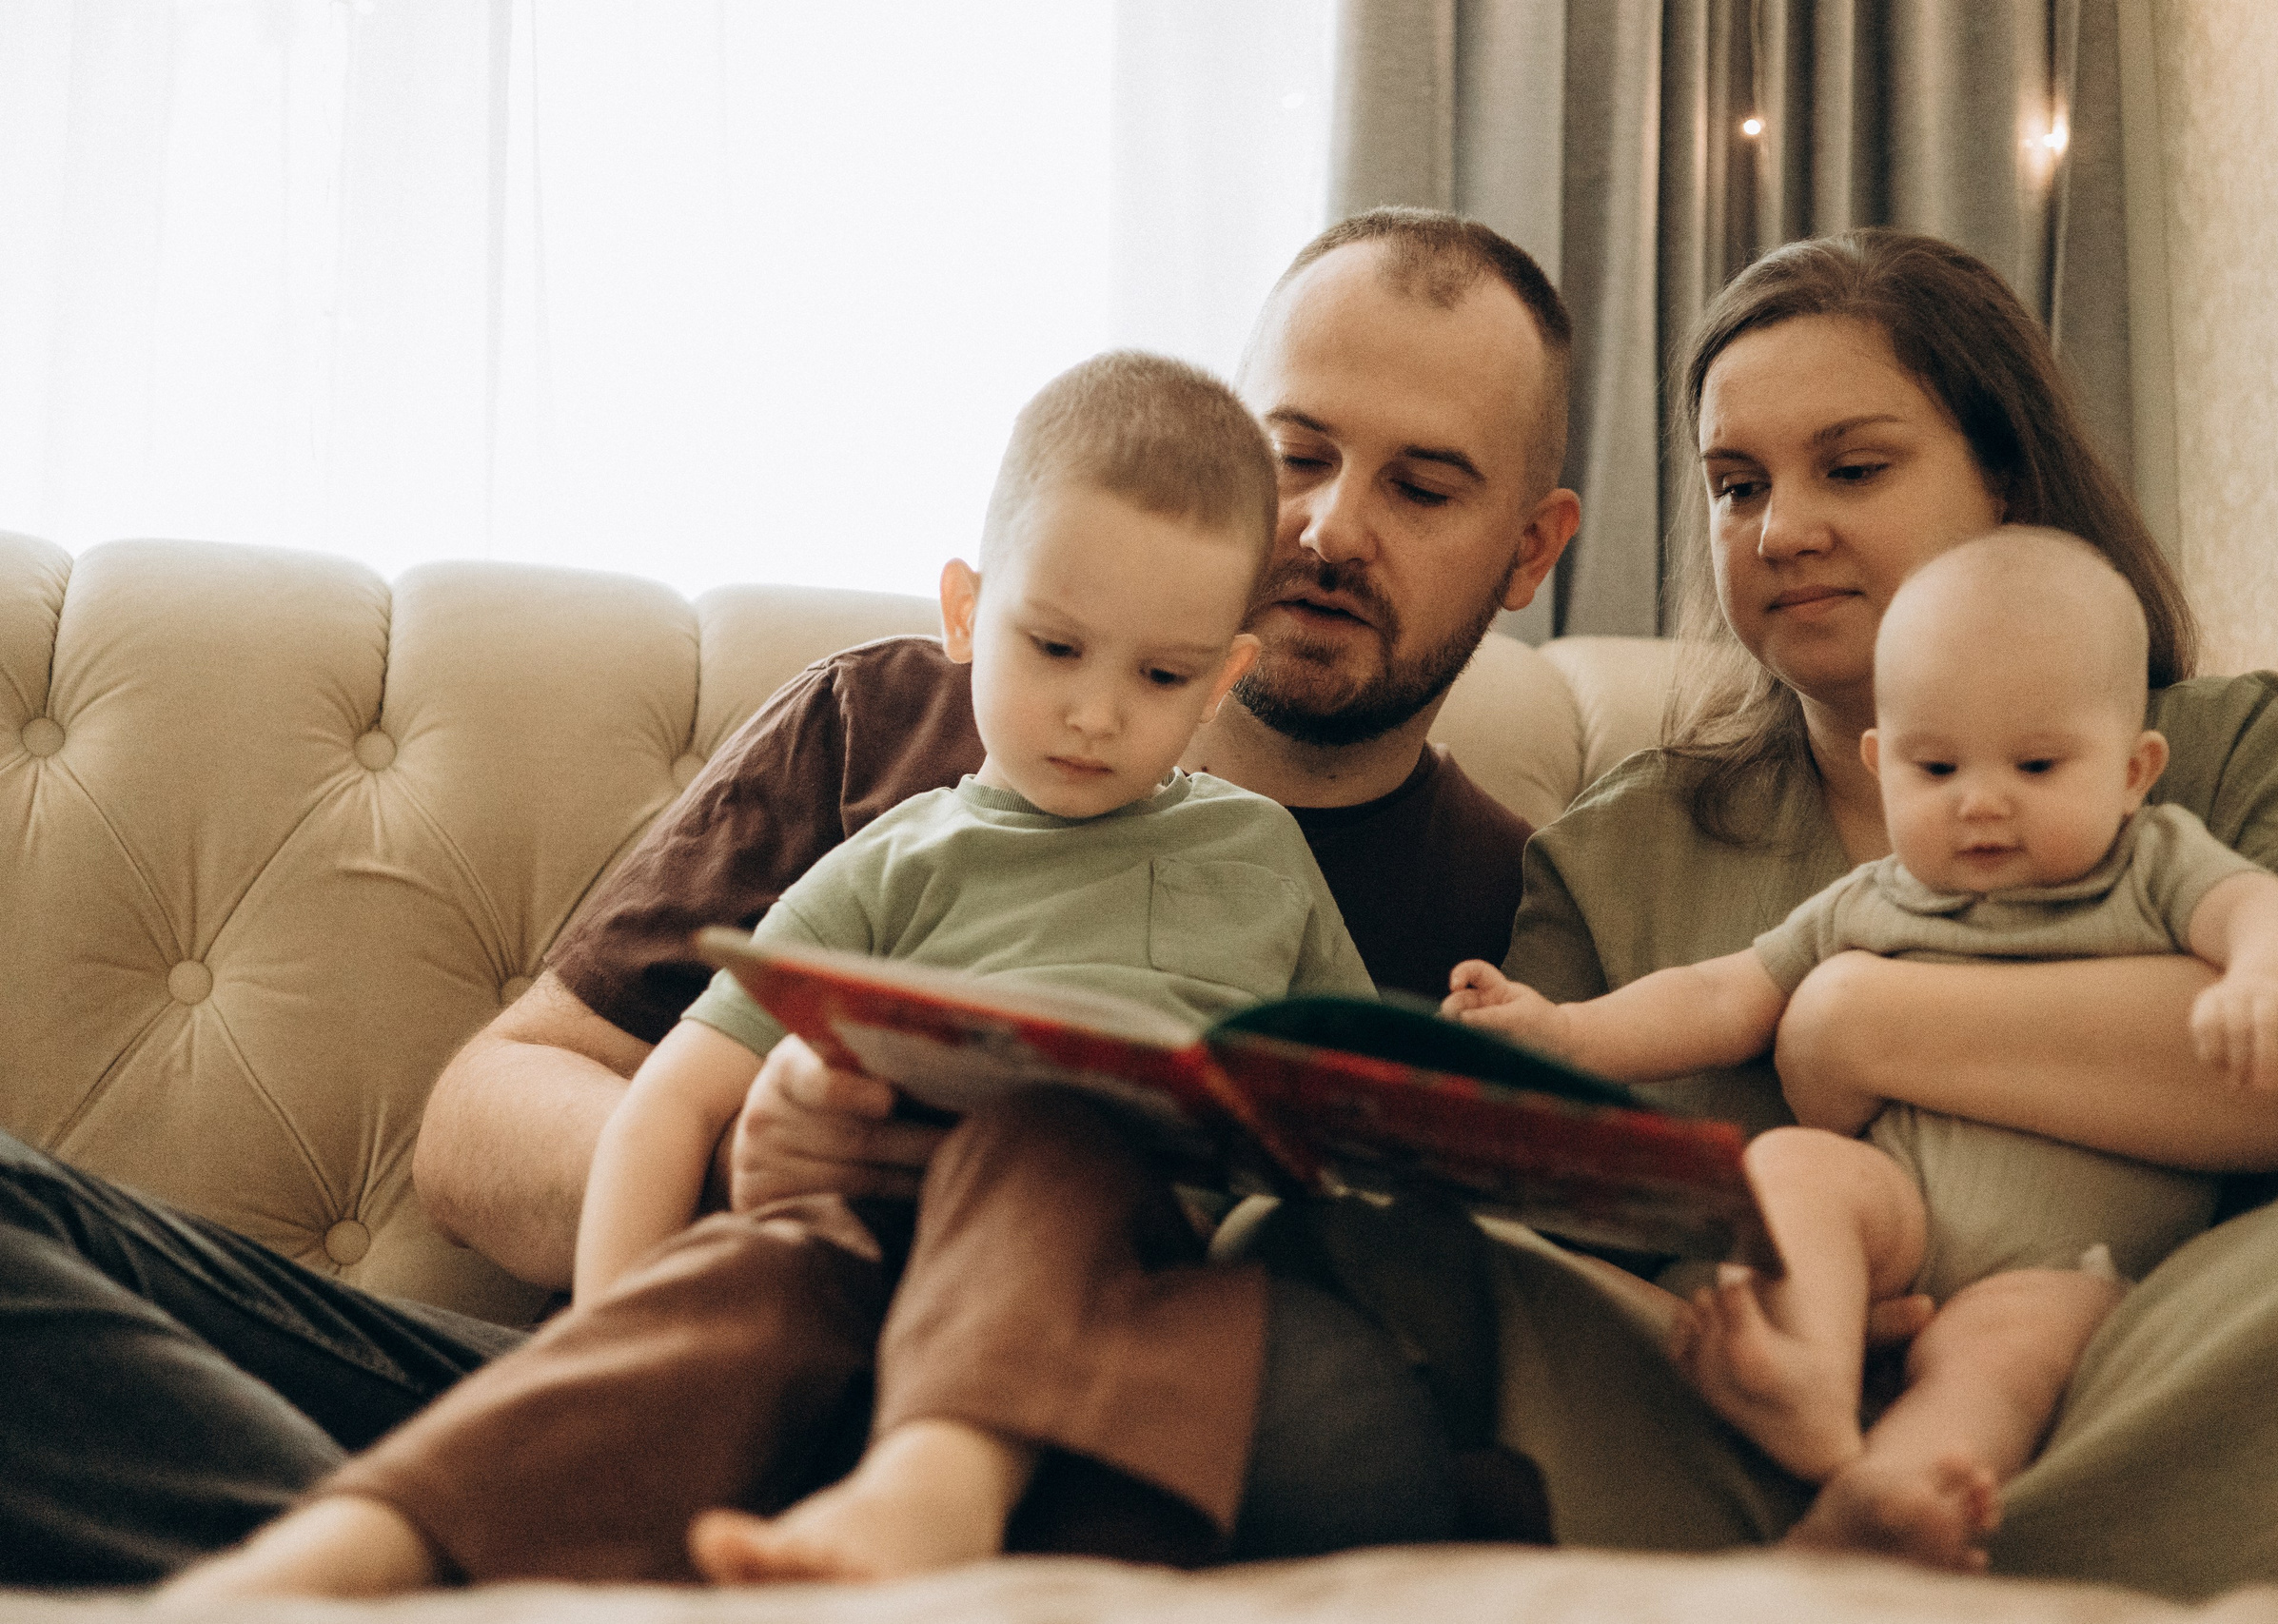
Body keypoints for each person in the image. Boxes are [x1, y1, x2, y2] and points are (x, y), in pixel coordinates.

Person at [0, 206, 1581, 1586]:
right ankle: (492, 1540)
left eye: (1424, 488)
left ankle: (507, 1562)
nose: (1324, 525)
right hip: (704, 1351)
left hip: (1083, 1439)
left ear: (1532, 548)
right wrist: (745, 1166)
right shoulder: (888, 723)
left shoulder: (1510, 897)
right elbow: (484, 1123)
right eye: (1295, 452)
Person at [163, 351, 1386, 1599]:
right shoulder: (895, 856)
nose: (1093, 711)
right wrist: (614, 1321)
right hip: (855, 1249)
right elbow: (674, 1095)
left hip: (1123, 1295)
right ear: (966, 610)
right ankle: (344, 1550)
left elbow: (1367, 1103)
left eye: (1162, 676)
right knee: (748, 1275)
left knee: (1048, 1136)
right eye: (1055, 645)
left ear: (1226, 675)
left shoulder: (1260, 853)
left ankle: (933, 1486)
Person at [1440, 227, 2278, 1599]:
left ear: (2007, 480)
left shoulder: (2211, 749)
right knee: (1375, 1259)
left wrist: (1872, 1020)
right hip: (1740, 1408)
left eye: (1852, 467)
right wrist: (1758, 1303)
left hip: (2157, 1372)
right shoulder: (1617, 850)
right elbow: (1548, 1210)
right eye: (1738, 485)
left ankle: (1944, 1522)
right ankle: (1866, 1492)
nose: (1783, 526)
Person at [1445, 525, 2278, 1571]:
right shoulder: (1877, 897)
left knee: (1992, 1365)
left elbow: (2266, 909)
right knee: (1789, 1167)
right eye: (1936, 764)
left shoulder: (2148, 868)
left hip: (2069, 1265)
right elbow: (1722, 992)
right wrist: (1563, 1031)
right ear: (1882, 762)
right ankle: (1810, 1381)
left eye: (2038, 763)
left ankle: (1886, 1503)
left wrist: (2265, 976)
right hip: (1900, 1213)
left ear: (2135, 771)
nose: (1981, 799)